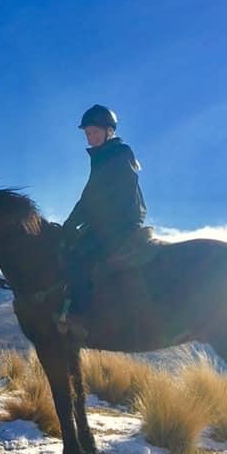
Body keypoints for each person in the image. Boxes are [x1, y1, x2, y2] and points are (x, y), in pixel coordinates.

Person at [61, 104, 146, 321]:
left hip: (122, 222)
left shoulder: (119, 153)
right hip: (109, 222)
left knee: (80, 257)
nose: (90, 138)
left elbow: (116, 193)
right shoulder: (102, 156)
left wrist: (88, 220)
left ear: (109, 131)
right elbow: (90, 195)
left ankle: (80, 316)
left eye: (95, 132)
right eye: (87, 133)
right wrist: (71, 222)